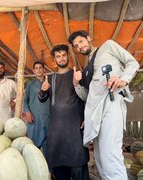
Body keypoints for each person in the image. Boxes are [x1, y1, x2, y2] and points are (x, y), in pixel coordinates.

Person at [68, 30, 140, 180]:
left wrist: (124, 79)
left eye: (81, 42)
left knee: (110, 156)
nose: (79, 47)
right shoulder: (87, 69)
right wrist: (76, 84)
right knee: (100, 159)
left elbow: (133, 62)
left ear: (88, 38)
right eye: (76, 46)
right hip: (95, 116)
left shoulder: (108, 46)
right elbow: (88, 97)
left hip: (111, 104)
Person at [38, 44, 89, 180]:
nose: (61, 59)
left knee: (79, 166)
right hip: (56, 130)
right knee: (59, 168)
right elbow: (42, 99)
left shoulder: (77, 74)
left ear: (68, 56)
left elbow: (87, 98)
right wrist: (43, 90)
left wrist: (86, 117)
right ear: (54, 60)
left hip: (75, 128)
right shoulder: (51, 78)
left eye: (64, 55)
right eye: (58, 56)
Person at [23, 61, 50, 156]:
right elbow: (25, 100)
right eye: (36, 68)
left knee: (49, 150)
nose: (38, 70)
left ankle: (49, 170)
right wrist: (27, 112)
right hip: (34, 120)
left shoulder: (49, 83)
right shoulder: (30, 84)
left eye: (40, 68)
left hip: (48, 119)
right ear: (34, 71)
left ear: (44, 70)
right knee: (34, 150)